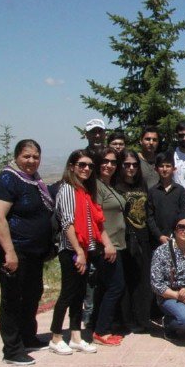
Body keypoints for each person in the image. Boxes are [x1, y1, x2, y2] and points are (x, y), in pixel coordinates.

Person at [0, 140, 54, 365]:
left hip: (33, 252)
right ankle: (12, 349)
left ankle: (27, 336)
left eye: (35, 156)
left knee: (32, 294)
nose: (31, 161)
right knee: (12, 299)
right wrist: (10, 252)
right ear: (17, 157)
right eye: (27, 156)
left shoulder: (33, 180)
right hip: (16, 251)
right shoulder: (8, 179)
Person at [49, 150, 117, 355]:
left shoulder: (85, 192)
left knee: (79, 294)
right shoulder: (68, 190)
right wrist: (78, 251)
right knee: (68, 294)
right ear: (71, 167)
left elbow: (93, 222)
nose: (86, 168)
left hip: (84, 250)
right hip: (71, 249)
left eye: (89, 165)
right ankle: (56, 337)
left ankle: (76, 336)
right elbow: (68, 223)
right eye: (81, 165)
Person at [91, 148, 127, 345]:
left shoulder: (108, 185)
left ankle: (100, 326)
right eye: (105, 161)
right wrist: (107, 244)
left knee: (107, 287)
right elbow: (96, 220)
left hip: (116, 244)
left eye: (113, 162)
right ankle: (101, 331)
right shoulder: (97, 186)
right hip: (107, 245)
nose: (109, 165)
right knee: (115, 286)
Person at [116, 149, 153, 334]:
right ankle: (127, 320)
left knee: (142, 280)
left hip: (143, 237)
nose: (131, 168)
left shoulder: (142, 184)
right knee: (126, 281)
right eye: (127, 164)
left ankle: (142, 318)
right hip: (125, 239)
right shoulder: (116, 186)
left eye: (134, 165)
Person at [147, 153, 185, 246]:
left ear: (174, 169)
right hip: (157, 239)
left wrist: (176, 234)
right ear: (156, 169)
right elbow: (150, 217)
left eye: (168, 166)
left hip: (177, 237)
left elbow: (183, 215)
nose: (165, 169)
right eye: (161, 166)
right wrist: (159, 235)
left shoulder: (180, 190)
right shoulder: (152, 191)